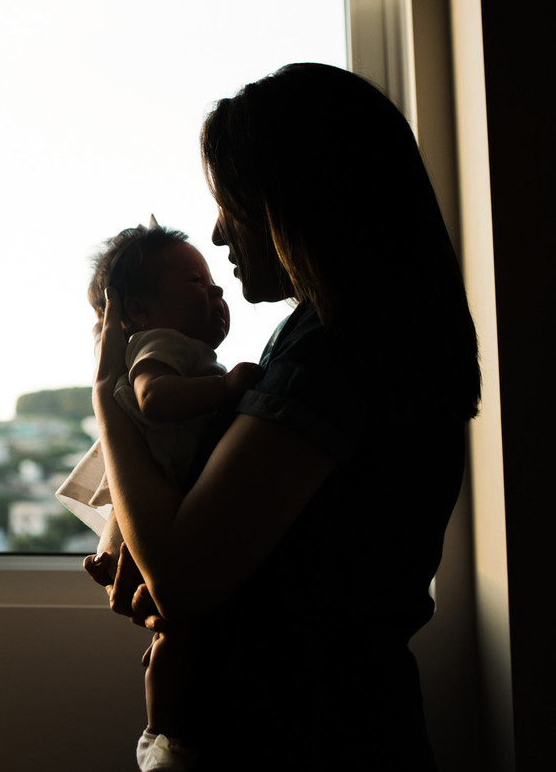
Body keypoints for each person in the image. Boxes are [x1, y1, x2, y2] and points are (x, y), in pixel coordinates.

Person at [84, 62, 481, 770]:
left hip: (300, 740)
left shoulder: (337, 355)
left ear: (298, 201)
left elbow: (181, 574)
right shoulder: (325, 339)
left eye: (231, 202)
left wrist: (108, 398)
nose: (216, 234)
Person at [56, 219, 261, 767]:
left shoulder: (177, 348)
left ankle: (165, 728)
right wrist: (226, 386)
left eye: (213, 281)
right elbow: (151, 399)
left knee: (175, 635)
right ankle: (163, 737)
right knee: (176, 630)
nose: (215, 290)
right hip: (164, 494)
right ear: (139, 312)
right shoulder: (161, 345)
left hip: (162, 500)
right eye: (195, 282)